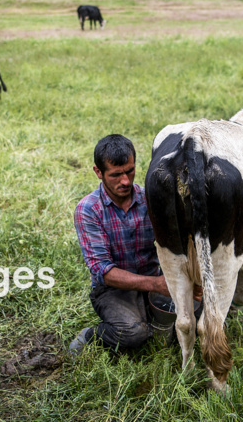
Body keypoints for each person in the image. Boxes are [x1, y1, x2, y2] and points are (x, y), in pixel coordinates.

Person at [70, 134, 189, 355]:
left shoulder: (149, 199)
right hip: (113, 290)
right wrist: (156, 285)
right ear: (98, 173)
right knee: (134, 334)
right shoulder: (88, 210)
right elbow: (103, 272)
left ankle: (150, 314)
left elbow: (177, 241)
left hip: (153, 278)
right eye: (116, 175)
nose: (125, 181)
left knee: (198, 315)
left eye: (130, 171)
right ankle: (92, 335)